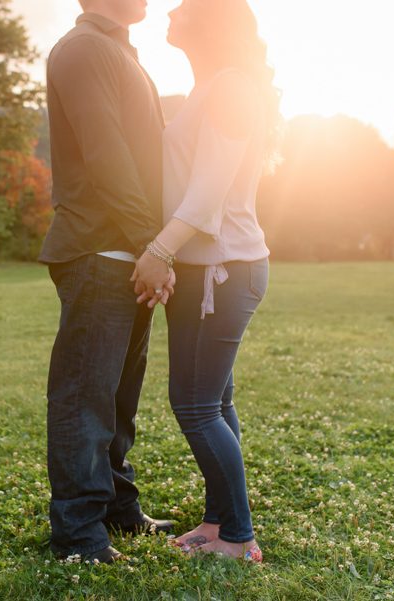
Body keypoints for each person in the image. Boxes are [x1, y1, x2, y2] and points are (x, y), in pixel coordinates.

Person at [130, 0, 283, 563]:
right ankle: (219, 523)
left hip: (223, 268)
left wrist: (159, 250)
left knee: (195, 404)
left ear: (211, 22)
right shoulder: (213, 86)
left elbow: (210, 189)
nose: (170, 10)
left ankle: (239, 538)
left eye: (185, 5)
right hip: (209, 269)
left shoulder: (231, 87)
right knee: (214, 399)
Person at [39, 0, 177, 564]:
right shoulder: (83, 49)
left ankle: (120, 509)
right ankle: (77, 534)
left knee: (119, 399)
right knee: (84, 397)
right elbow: (106, 155)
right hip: (100, 249)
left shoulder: (119, 49)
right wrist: (154, 243)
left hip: (129, 254)